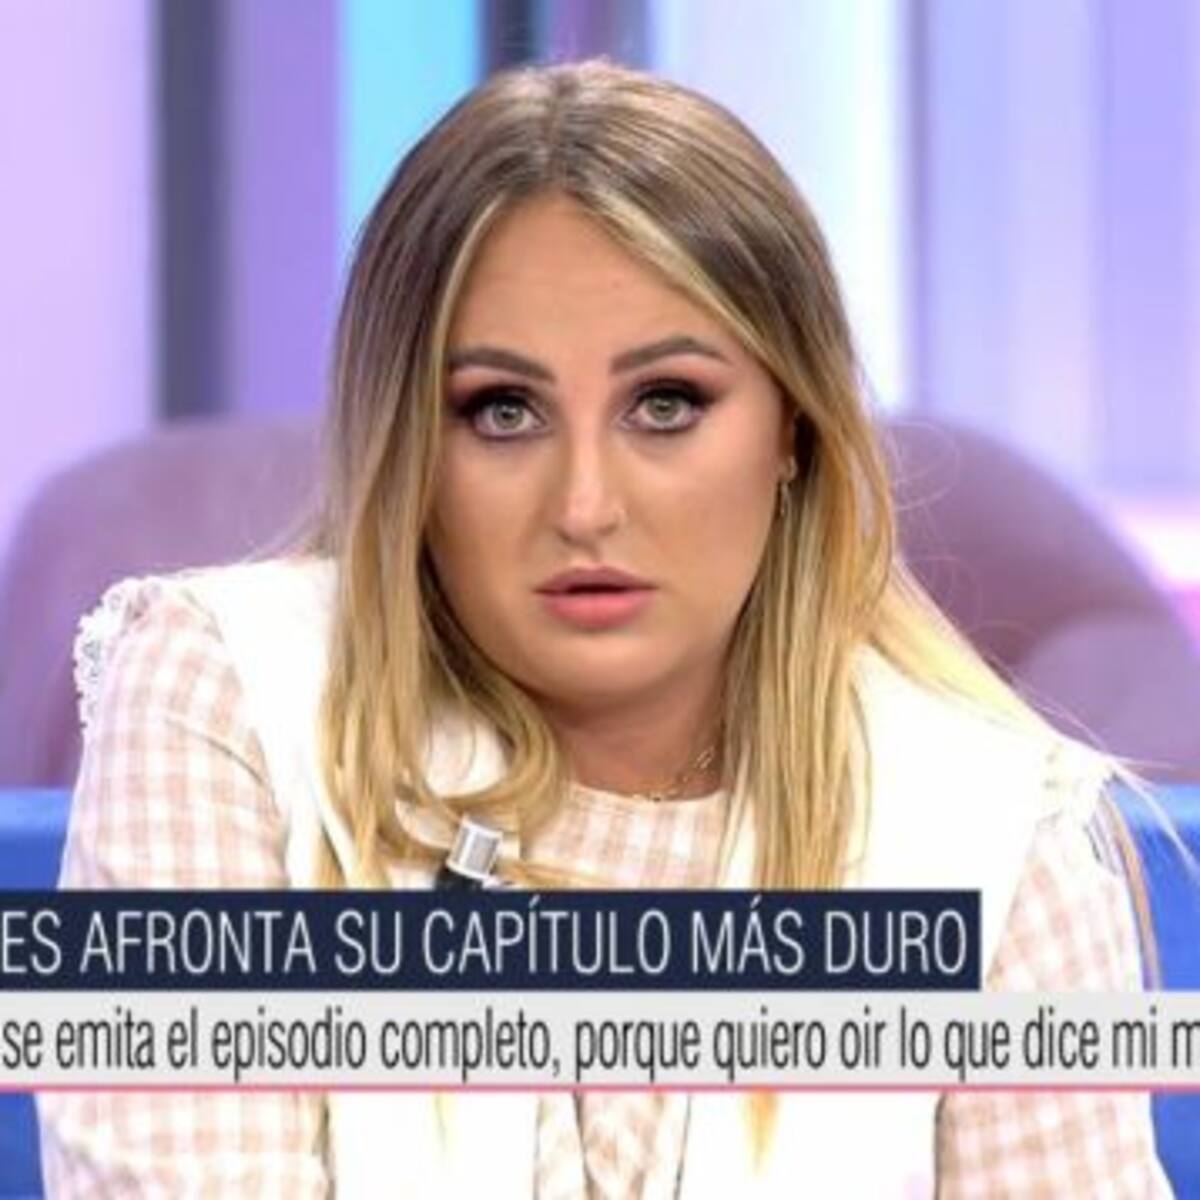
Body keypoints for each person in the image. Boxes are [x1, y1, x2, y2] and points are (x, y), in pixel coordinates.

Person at [40, 59, 1171, 1197]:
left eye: (666, 404)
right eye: (502, 411)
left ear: (794, 428)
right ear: (409, 443)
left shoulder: (995, 830)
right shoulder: (226, 700)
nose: (584, 506)